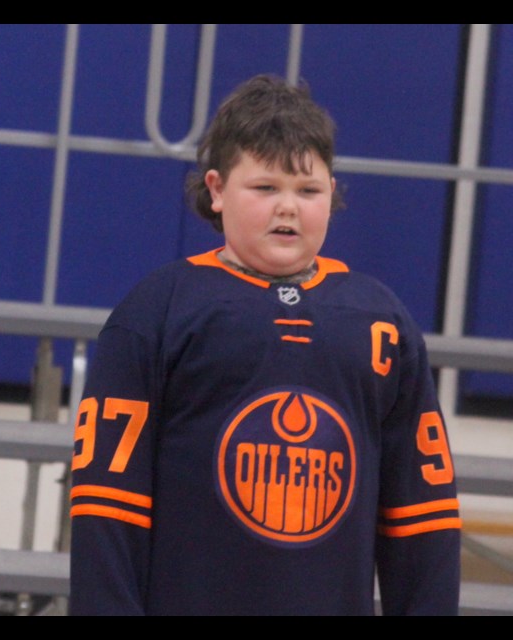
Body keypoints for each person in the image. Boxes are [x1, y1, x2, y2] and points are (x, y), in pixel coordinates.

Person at [68, 74, 461, 616]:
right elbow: (106, 506)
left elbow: (424, 515)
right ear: (216, 189)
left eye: (308, 190)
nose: (288, 208)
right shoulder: (156, 312)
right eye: (265, 188)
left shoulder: (381, 323)